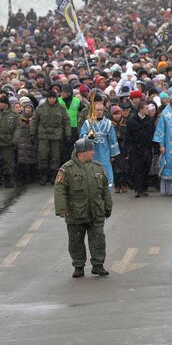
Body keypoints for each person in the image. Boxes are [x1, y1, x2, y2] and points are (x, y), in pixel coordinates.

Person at [54, 137, 112, 278]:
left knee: (98, 239)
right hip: (75, 213)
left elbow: (105, 189)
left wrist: (108, 206)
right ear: (82, 152)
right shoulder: (66, 169)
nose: (93, 153)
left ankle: (98, 265)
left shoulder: (97, 167)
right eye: (90, 150)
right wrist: (61, 209)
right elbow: (59, 188)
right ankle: (78, 266)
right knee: (76, 241)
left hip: (96, 211)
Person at [30, 90, 71, 185]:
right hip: (43, 136)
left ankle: (53, 176)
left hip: (56, 136)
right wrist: (32, 133)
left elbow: (66, 122)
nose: (51, 100)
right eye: (50, 98)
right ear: (47, 98)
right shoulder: (41, 108)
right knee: (42, 155)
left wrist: (68, 134)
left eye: (53, 98)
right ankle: (43, 175)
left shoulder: (61, 108)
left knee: (55, 156)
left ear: (56, 98)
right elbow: (35, 121)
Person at [79, 102, 120, 190]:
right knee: (92, 170)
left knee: (105, 170)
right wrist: (89, 137)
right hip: (92, 152)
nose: (99, 112)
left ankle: (106, 190)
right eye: (97, 110)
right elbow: (82, 136)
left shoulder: (108, 123)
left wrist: (113, 154)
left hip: (105, 151)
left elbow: (112, 139)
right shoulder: (88, 123)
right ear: (93, 111)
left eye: (101, 110)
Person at [125, 102, 155, 197]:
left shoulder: (150, 120)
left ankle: (144, 188)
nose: (148, 110)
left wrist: (155, 147)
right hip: (135, 148)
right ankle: (137, 189)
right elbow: (128, 136)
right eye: (146, 108)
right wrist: (127, 150)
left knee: (146, 168)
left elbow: (153, 134)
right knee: (137, 168)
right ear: (141, 109)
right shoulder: (131, 120)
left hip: (147, 148)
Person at [0, 94, 21, 188]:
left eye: (1, 103)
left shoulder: (14, 114)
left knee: (8, 162)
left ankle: (8, 179)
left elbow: (18, 128)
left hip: (8, 141)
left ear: (6, 104)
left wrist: (15, 139)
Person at [110, 105, 129, 193]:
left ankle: (124, 184)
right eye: (115, 114)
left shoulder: (125, 122)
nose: (117, 116)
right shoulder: (109, 124)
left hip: (124, 148)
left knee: (124, 168)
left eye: (118, 114)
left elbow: (129, 136)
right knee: (115, 168)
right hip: (114, 148)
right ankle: (117, 185)